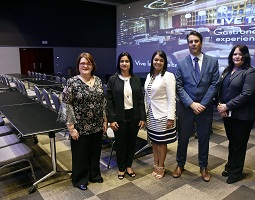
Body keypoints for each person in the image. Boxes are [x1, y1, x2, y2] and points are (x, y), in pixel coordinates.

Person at [173, 31, 220, 182]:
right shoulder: (181, 63)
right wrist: (192, 104)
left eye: (196, 41)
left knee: (204, 138)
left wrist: (202, 104)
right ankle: (180, 165)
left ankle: (203, 167)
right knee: (183, 138)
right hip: (186, 108)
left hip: (204, 109)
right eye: (191, 41)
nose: (193, 44)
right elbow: (179, 87)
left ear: (201, 43)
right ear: (188, 44)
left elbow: (214, 85)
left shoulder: (212, 61)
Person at [58, 52, 107, 190]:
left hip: (96, 125)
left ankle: (94, 175)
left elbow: (102, 102)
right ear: (78, 66)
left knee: (95, 152)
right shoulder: (72, 82)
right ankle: (80, 178)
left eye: (88, 63)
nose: (85, 65)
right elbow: (67, 105)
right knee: (81, 155)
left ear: (93, 65)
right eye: (82, 63)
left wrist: (104, 120)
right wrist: (71, 128)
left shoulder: (97, 80)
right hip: (80, 126)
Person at [217, 44, 255, 184]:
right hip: (229, 114)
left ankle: (236, 172)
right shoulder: (228, 70)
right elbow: (222, 89)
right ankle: (230, 166)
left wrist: (226, 106)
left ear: (245, 56)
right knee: (232, 141)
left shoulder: (250, 72)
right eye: (235, 54)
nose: (237, 56)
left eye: (241, 54)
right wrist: (221, 105)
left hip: (243, 116)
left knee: (239, 144)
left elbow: (247, 94)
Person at [106, 52, 146, 180]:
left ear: (130, 63)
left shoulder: (135, 80)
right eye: (122, 61)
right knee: (121, 143)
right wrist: (111, 120)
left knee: (131, 142)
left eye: (127, 61)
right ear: (119, 63)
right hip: (119, 117)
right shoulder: (113, 79)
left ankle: (129, 166)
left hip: (134, 116)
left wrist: (142, 117)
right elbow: (109, 101)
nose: (124, 63)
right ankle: (121, 168)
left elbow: (140, 100)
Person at [144, 50, 176, 179]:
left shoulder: (168, 76)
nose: (158, 62)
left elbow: (171, 98)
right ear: (152, 61)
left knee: (161, 142)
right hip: (151, 114)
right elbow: (147, 97)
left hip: (162, 115)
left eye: (161, 60)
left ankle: (161, 166)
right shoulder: (149, 76)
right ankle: (155, 163)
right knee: (154, 142)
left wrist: (170, 117)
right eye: (156, 59)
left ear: (164, 63)